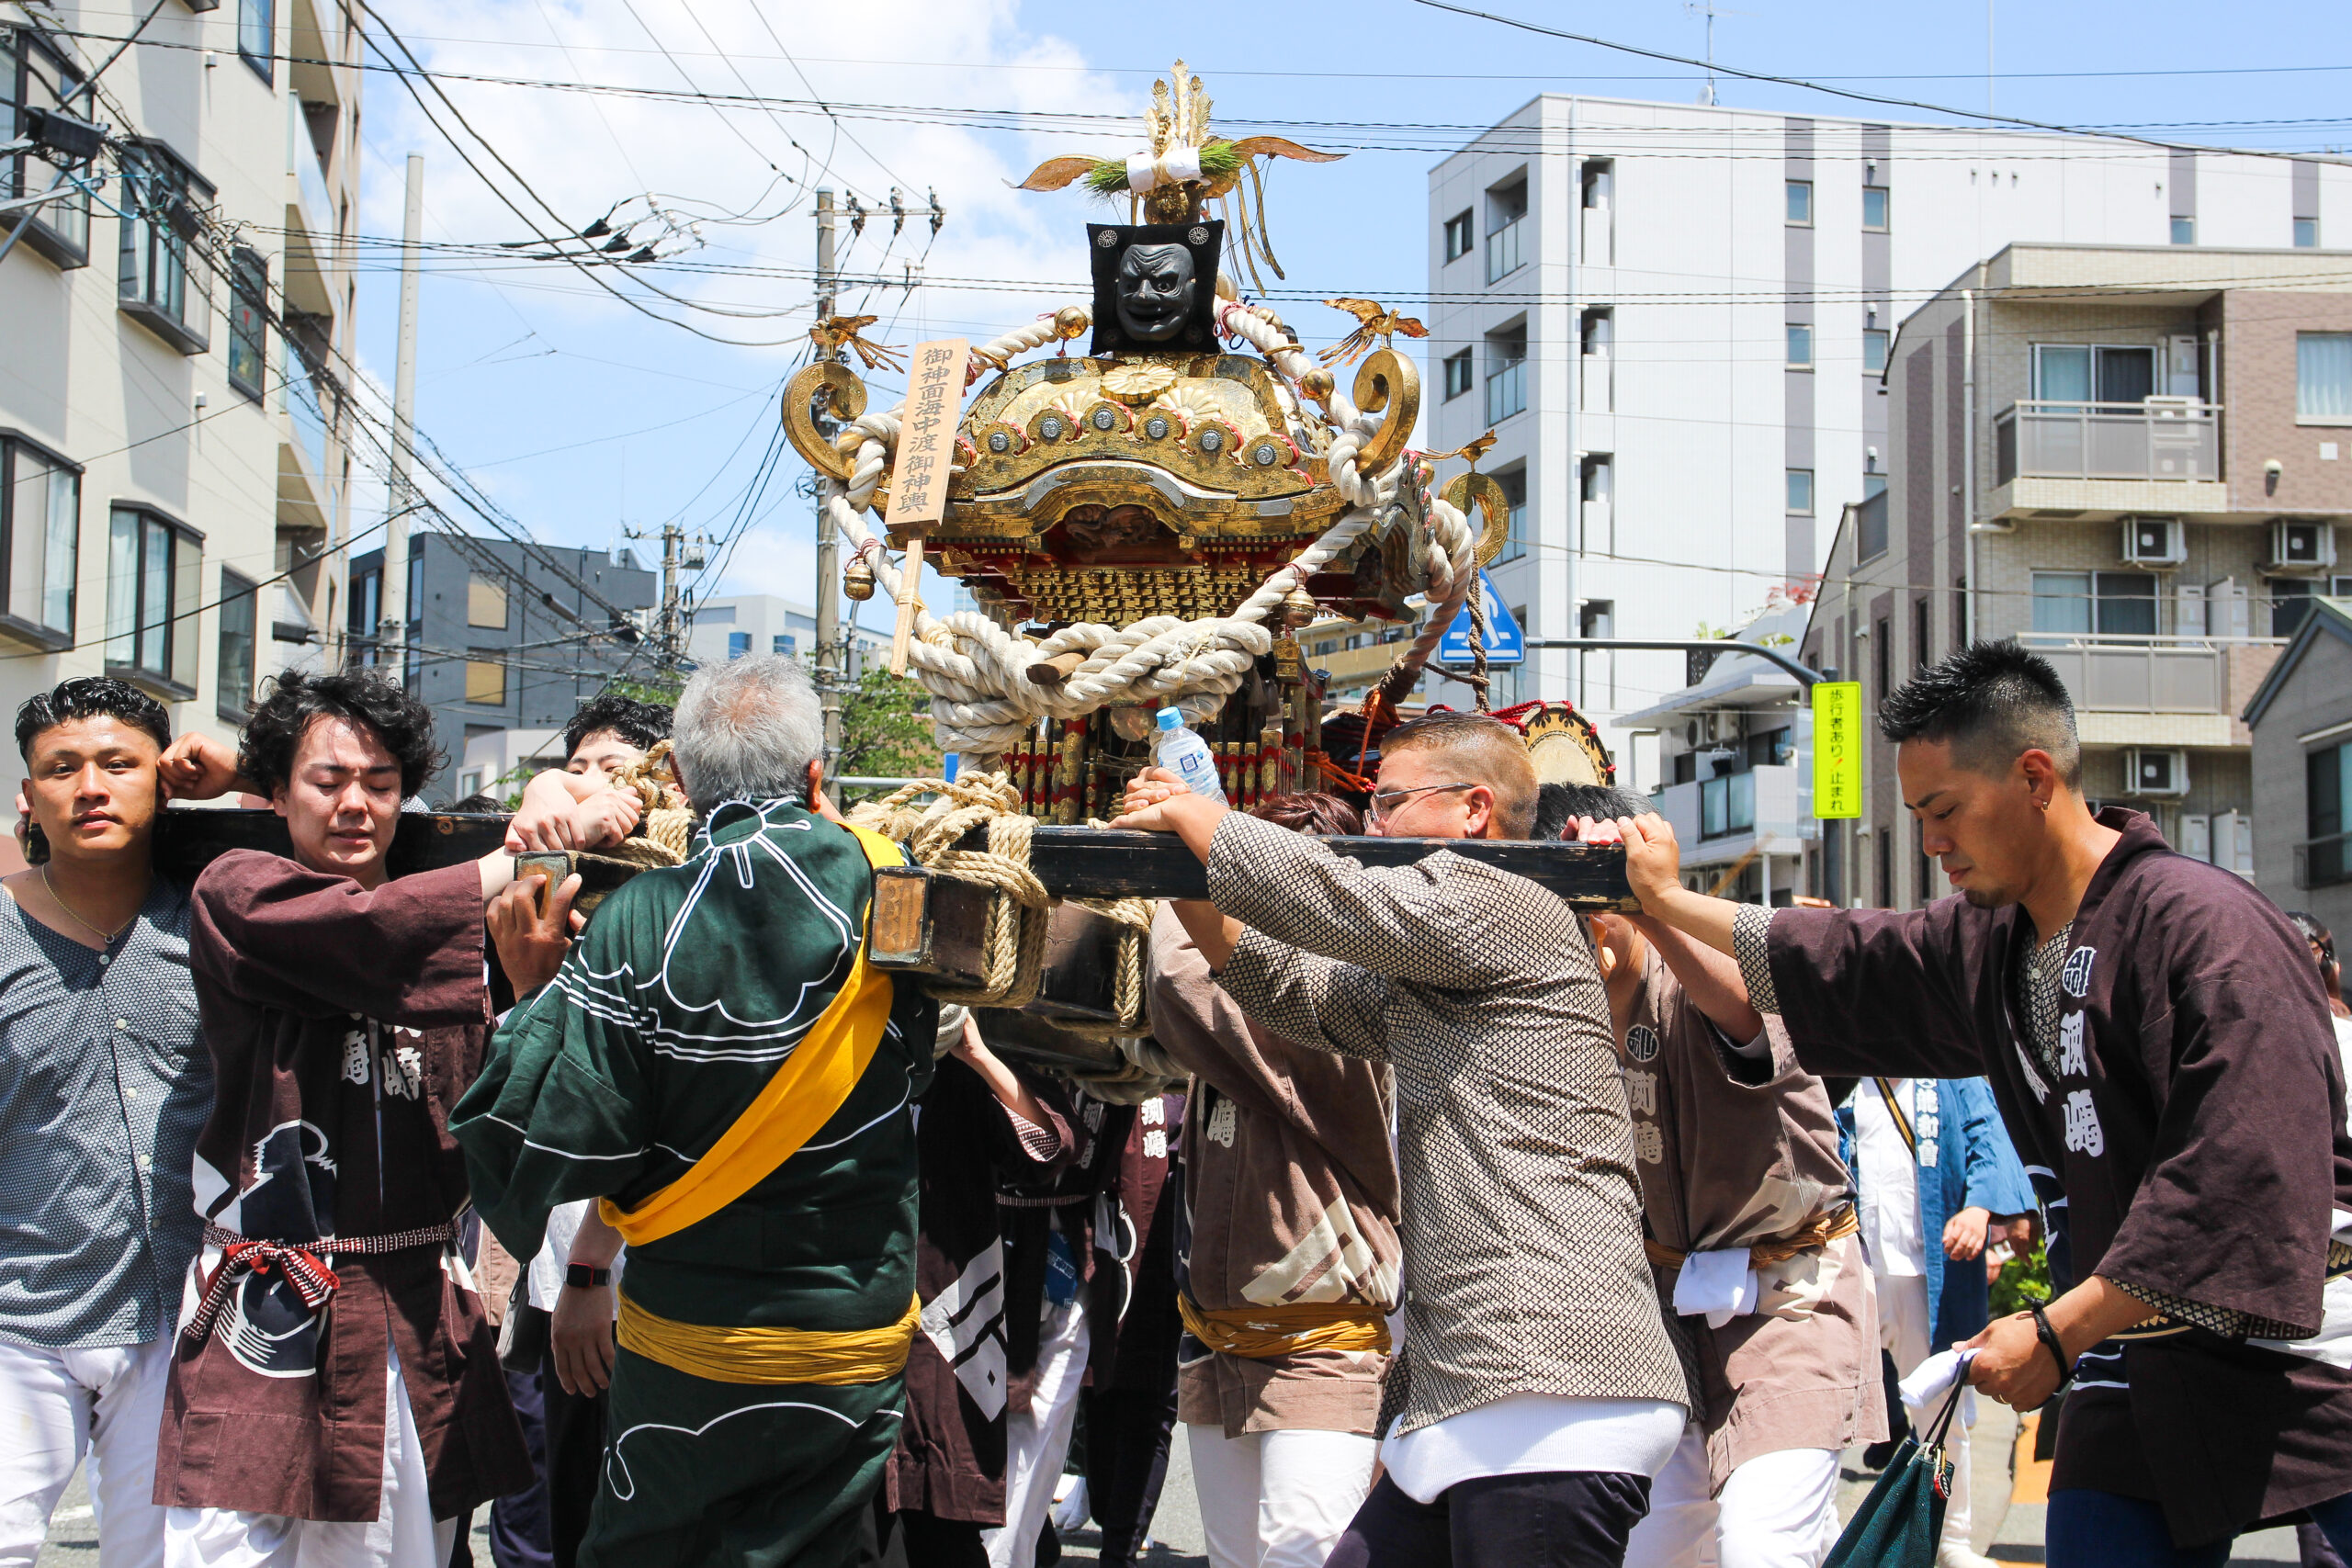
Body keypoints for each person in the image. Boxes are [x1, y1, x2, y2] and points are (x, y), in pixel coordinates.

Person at [1615, 641, 2352, 1563]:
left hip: (2301, 1347)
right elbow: (1841, 957)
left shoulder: (2205, 926)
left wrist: (2056, 1327)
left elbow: (2239, 1172)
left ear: (2034, 776)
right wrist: (1666, 903)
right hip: (2121, 1349)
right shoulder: (1986, 941)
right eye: (1917, 816)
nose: (1930, 842)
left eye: (1944, 810)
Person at [1114, 712, 1690, 1568]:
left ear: (1474, 810)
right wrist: (1187, 873)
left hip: (1554, 1374)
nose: (1375, 822)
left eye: (1391, 801)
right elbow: (1287, 991)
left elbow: (1328, 895)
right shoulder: (1438, 963)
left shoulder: (1508, 902)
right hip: (1481, 1381)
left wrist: (1204, 817)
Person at [451, 655, 944, 1568]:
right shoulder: (894, 886)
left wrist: (527, 994)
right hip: (850, 1332)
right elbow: (912, 1071)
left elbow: (543, 1131)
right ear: (813, 777)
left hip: (689, 1334)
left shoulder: (641, 915)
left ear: (674, 779)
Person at [148, 669, 577, 1568]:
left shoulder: (472, 927)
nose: (356, 804)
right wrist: (517, 853)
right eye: (327, 780)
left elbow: (502, 1131)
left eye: (381, 784)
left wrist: (528, 993)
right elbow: (368, 934)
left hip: (409, 1311)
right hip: (263, 1305)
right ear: (273, 791)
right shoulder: (239, 892)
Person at [1553, 785, 1883, 1568]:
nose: (1584, 928)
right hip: (1663, 1323)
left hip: (1787, 1300)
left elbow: (1742, 1012)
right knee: (1655, 1552)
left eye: (1592, 903)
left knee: (1763, 1544)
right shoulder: (1558, 1007)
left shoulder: (1696, 962)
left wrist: (1649, 905)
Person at [1145, 791, 1403, 1568]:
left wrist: (1184, 862)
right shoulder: (1238, 1005)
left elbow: (1177, 979)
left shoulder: (1335, 1001)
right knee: (1235, 1557)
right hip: (1222, 1333)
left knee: (1305, 1551)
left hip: (1323, 1342)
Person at [0, 680, 212, 1567]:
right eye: (63, 768)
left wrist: (242, 766)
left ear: (161, 783)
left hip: (187, 1323)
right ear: (29, 796)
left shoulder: (221, 921)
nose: (91, 786)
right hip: (18, 1319)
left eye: (119, 763)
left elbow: (346, 831)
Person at [493, 695, 676, 1568]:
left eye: (621, 770)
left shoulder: (674, 897)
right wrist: (538, 797)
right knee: (544, 1521)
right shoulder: (535, 880)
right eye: (581, 766)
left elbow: (650, 1114)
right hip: (550, 1277)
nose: (594, 787)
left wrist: (589, 1263)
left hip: (636, 1279)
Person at [865, 1010, 1076, 1567]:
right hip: (845, 1332)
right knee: (856, 1530)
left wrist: (978, 1054)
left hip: (942, 1337)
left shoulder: (960, 1070)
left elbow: (1051, 1147)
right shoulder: (833, 1050)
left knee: (941, 1529)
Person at [1836, 1074, 2033, 1568]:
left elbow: (1987, 1134)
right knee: (1826, 1405)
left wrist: (1979, 1207)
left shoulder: (1950, 1071)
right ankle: (1821, 1535)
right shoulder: (1844, 1073)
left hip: (1924, 1269)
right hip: (1851, 1261)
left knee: (1939, 1409)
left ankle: (1951, 1540)